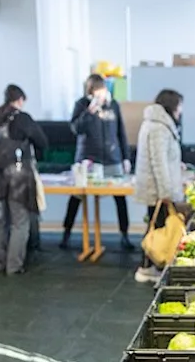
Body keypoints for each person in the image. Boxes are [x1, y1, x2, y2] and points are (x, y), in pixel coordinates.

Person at [0, 84, 47, 274]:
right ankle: (14, 265)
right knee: (20, 222)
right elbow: (42, 141)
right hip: (18, 179)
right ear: (20, 100)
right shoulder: (22, 119)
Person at [65, 74, 133, 251]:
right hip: (89, 159)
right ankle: (66, 233)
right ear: (90, 91)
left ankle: (124, 234)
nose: (101, 93)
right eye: (97, 90)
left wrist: (126, 157)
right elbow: (76, 129)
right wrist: (90, 112)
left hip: (113, 158)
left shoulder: (114, 105)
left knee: (120, 196)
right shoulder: (81, 105)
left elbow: (121, 133)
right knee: (77, 196)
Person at [133, 89, 188, 283]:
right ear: (172, 105)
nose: (181, 110)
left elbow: (163, 158)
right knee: (159, 230)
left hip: (157, 189)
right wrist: (166, 192)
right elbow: (158, 162)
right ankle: (149, 267)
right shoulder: (158, 127)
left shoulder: (156, 124)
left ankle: (152, 266)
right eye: (180, 105)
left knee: (156, 227)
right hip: (158, 190)